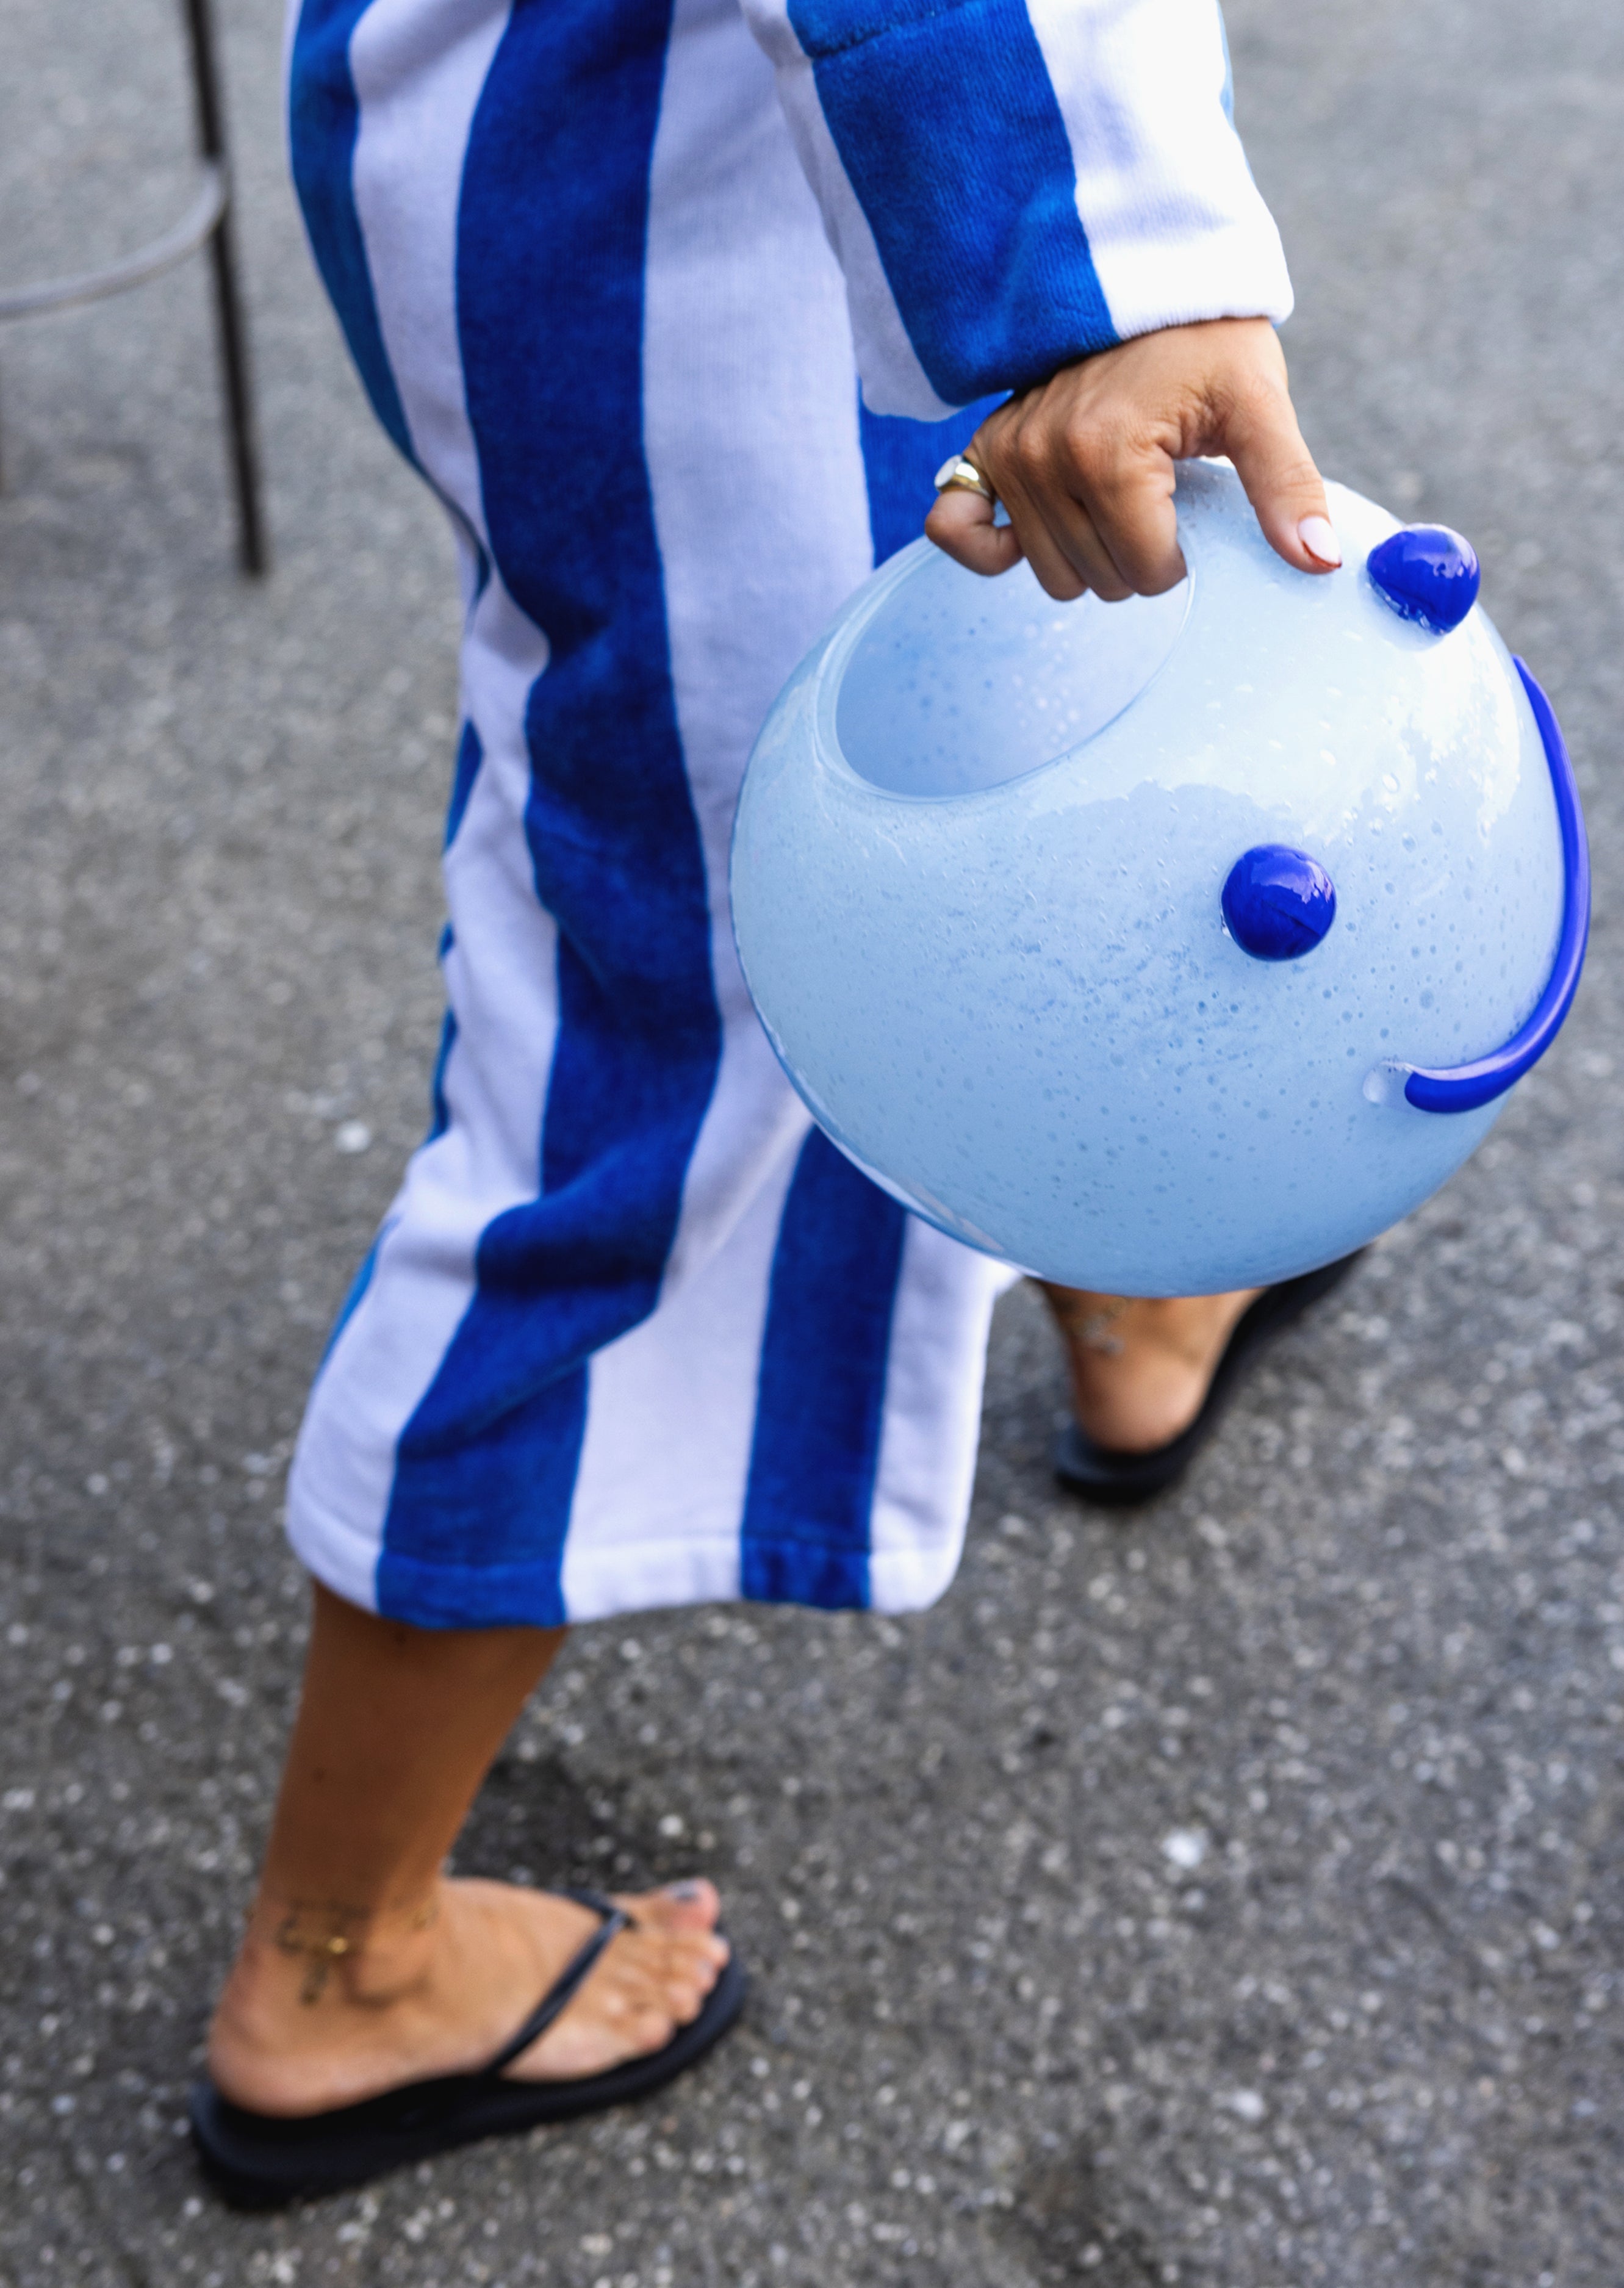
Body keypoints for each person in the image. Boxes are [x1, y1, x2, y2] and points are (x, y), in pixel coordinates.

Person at [190, 0, 1345, 2202]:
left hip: (722, 129)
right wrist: (1092, 263)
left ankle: (1114, 1299)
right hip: (690, 183)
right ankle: (339, 1960)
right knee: (681, 1008)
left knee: (1006, 783)